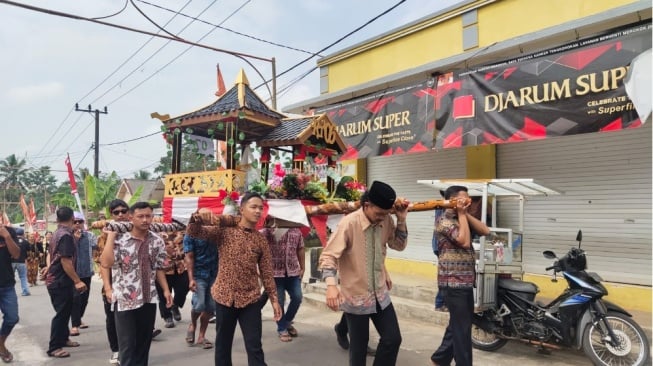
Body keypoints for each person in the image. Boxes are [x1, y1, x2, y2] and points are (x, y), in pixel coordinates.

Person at [186, 191, 282, 366]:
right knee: (223, 345)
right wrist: (197, 217)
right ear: (242, 209)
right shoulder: (225, 231)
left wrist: (274, 300)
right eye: (253, 207)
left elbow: (267, 272)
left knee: (254, 346)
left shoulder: (260, 240)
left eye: (261, 208)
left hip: (250, 299)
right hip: (224, 297)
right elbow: (194, 232)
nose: (258, 211)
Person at [319, 180, 409, 366]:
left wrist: (401, 219)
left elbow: (398, 245)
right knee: (359, 350)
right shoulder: (349, 223)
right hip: (356, 295)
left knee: (393, 339)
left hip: (380, 292)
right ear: (367, 205)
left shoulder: (386, 220)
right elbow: (328, 256)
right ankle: (342, 330)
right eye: (378, 213)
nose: (382, 218)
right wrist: (331, 286)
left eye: (386, 214)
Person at [100, 201, 173, 366]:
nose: (145, 220)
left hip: (148, 297)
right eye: (140, 216)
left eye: (148, 216)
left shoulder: (156, 240)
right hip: (125, 299)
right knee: (127, 346)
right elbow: (106, 263)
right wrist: (111, 236)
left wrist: (166, 290)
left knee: (143, 343)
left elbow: (159, 267)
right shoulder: (119, 239)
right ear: (131, 218)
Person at [430, 185, 490, 366]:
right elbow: (464, 241)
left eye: (468, 199)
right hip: (453, 283)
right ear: (452, 201)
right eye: (462, 199)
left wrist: (464, 213)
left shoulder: (461, 218)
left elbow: (485, 231)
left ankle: (439, 359)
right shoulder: (444, 221)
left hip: (464, 282)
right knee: (462, 331)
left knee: (458, 324)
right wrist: (462, 214)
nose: (467, 202)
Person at [45, 206, 88, 358]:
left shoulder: (58, 233)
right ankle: (54, 347)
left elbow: (55, 256)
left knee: (65, 311)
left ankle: (63, 338)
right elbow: (65, 261)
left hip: (57, 279)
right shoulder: (65, 236)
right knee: (62, 314)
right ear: (71, 218)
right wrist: (77, 281)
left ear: (57, 219)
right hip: (60, 280)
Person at [259, 220, 304, 342]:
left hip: (293, 272)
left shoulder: (296, 231)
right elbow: (258, 248)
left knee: (297, 297)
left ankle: (287, 322)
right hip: (274, 273)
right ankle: (282, 328)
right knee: (279, 302)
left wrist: (303, 267)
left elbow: (300, 249)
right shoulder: (266, 232)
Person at [96, 199, 128, 364]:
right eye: (116, 212)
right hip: (114, 285)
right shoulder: (105, 235)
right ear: (111, 215)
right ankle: (116, 350)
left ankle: (130, 352)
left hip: (133, 287)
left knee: (132, 322)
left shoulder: (136, 231)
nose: (121, 214)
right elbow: (104, 264)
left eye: (124, 211)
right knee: (113, 319)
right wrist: (108, 288)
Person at [184, 208, 218, 349]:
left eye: (209, 215)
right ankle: (193, 324)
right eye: (204, 215)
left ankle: (202, 336)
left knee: (210, 307)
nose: (207, 217)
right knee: (199, 305)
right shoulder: (191, 234)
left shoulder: (216, 232)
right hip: (199, 274)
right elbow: (189, 257)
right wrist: (191, 279)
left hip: (215, 274)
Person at [70, 212, 96, 337]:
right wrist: (75, 239)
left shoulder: (90, 236)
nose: (77, 224)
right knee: (75, 299)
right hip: (72, 273)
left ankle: (78, 318)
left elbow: (95, 250)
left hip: (86, 272)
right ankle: (74, 325)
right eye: (75, 222)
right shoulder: (67, 236)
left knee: (84, 299)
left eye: (80, 221)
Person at [156, 232, 189, 329]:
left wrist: (174, 254)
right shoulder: (156, 231)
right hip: (163, 269)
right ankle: (167, 316)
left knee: (184, 286)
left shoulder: (182, 231)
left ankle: (175, 305)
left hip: (180, 267)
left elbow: (186, 250)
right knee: (163, 294)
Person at [0, 225, 21, 363]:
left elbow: (16, 254)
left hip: (6, 285)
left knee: (12, 317)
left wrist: (6, 236)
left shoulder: (8, 231)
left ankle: (0, 343)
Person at [11, 228, 30, 296]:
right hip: (22, 261)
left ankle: (11, 292)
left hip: (12, 261)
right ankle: (25, 291)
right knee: (23, 277)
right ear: (23, 234)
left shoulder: (12, 241)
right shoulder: (26, 242)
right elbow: (28, 252)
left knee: (11, 277)